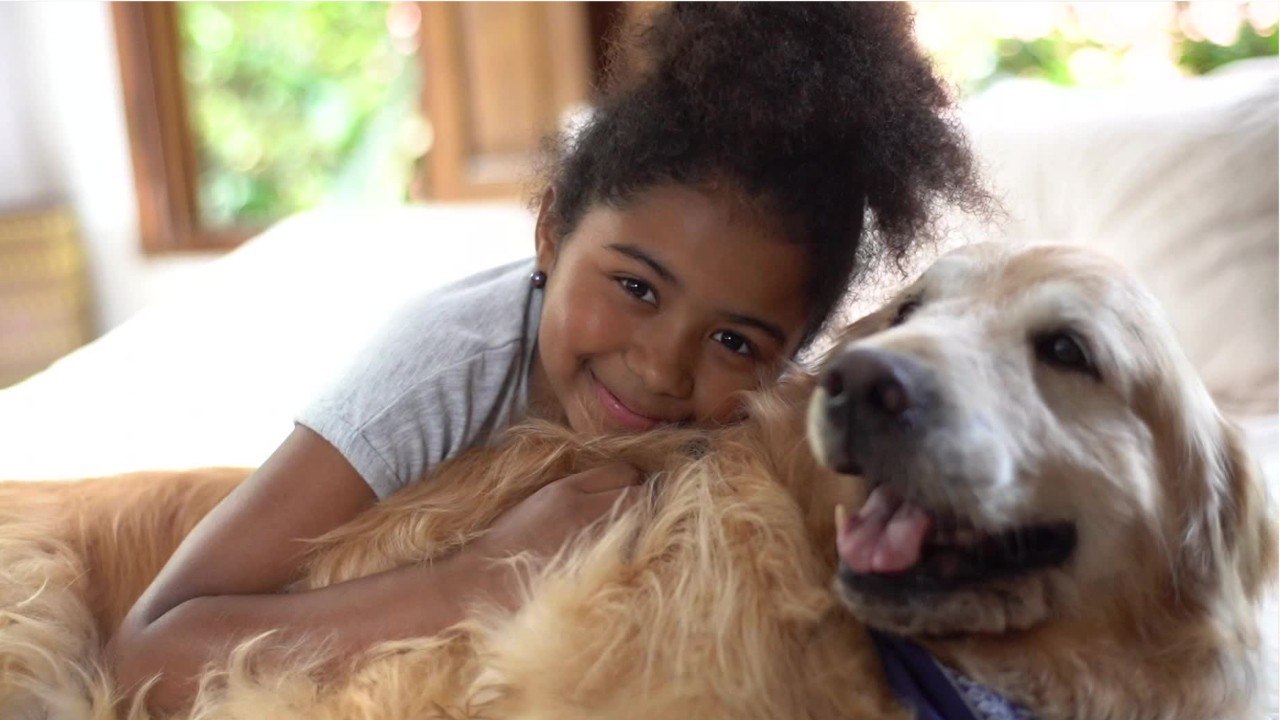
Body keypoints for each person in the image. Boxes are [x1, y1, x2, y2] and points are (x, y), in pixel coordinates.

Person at [106, 3, 988, 713]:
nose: (661, 370)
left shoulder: (772, 420)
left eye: (734, 342)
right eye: (637, 287)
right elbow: (146, 648)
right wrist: (471, 582)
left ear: (792, 356)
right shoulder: (440, 367)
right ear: (552, 232)